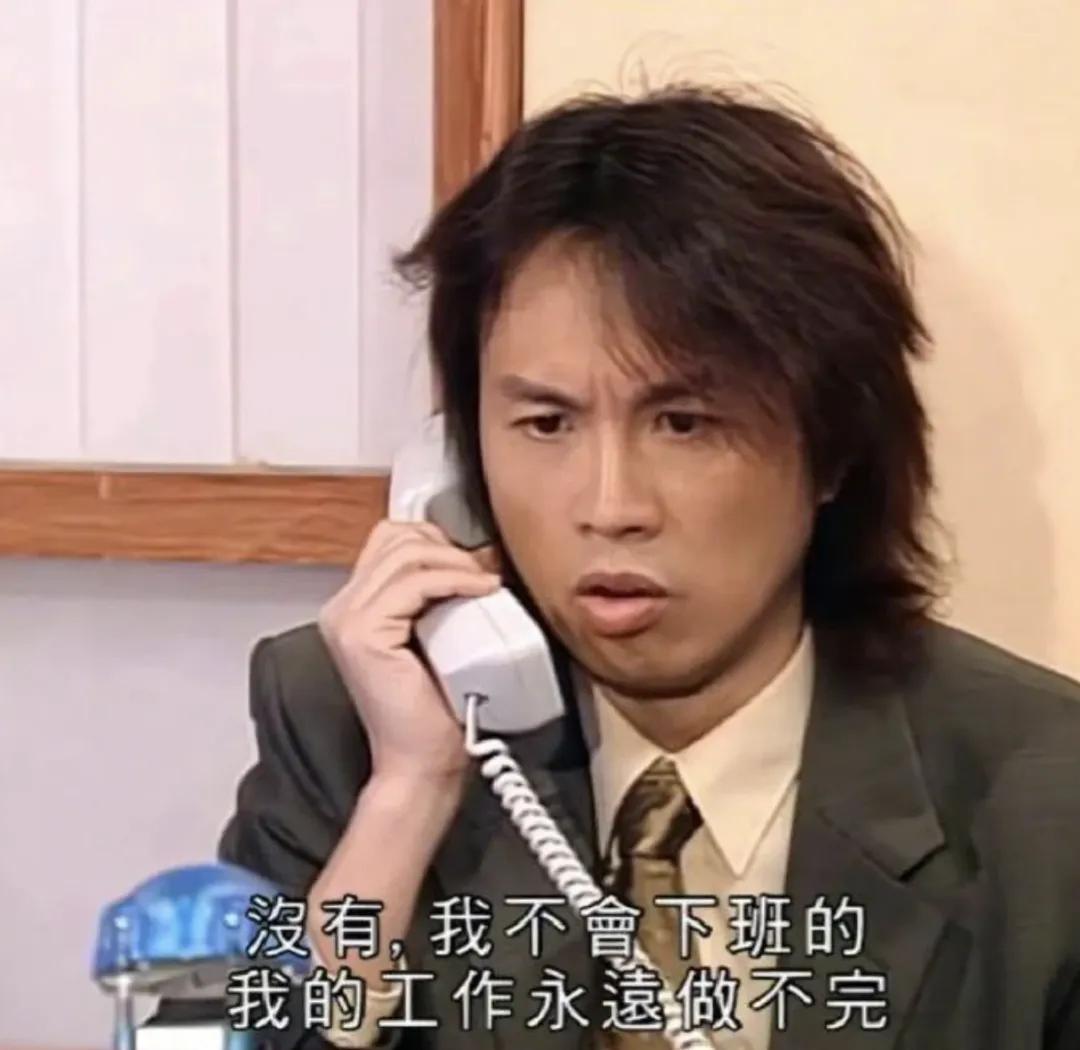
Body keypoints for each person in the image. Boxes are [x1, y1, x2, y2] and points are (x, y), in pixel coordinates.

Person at [217, 83, 1080, 1050]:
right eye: (547, 423)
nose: (611, 506)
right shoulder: (345, 725)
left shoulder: (1047, 802)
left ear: (834, 445)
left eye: (683, 422)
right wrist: (407, 797)